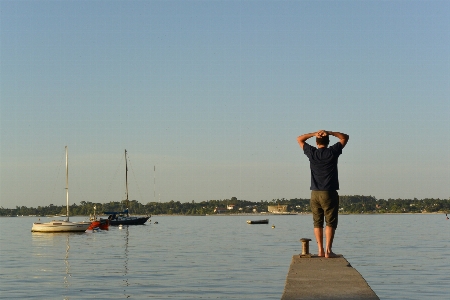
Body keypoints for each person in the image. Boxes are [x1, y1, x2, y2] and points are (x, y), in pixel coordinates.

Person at [297, 130, 349, 258]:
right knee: (330, 222)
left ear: (316, 142)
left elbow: (300, 139)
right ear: (328, 142)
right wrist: (329, 132)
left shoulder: (312, 153)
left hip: (315, 193)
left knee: (317, 222)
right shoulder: (332, 152)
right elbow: (345, 137)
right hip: (329, 192)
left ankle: (320, 250)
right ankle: (328, 251)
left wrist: (314, 133)